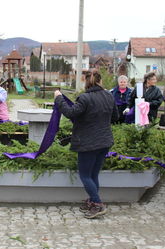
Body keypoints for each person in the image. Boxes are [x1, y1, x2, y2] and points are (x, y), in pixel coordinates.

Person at [54, 70, 119, 219]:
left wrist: (58, 99)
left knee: (85, 175)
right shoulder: (109, 96)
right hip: (105, 141)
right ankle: (92, 201)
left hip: (87, 142)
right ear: (100, 81)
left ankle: (97, 203)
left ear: (86, 82)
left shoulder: (84, 98)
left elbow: (70, 113)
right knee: (93, 174)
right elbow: (115, 116)